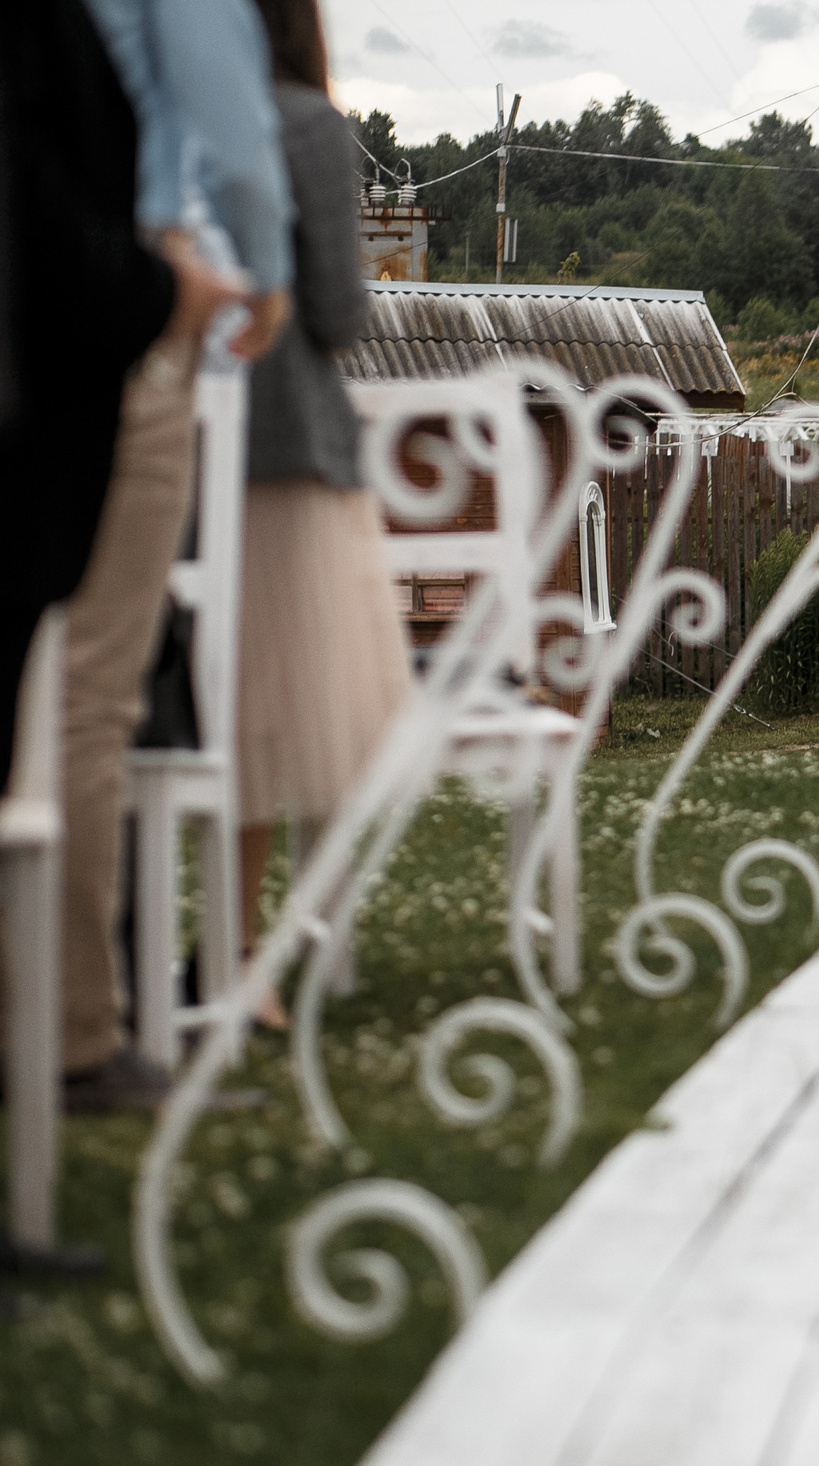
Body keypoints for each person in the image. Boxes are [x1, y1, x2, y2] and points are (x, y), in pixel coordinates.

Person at [36, 0, 291, 1115]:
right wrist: (266, 268)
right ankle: (75, 1034)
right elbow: (232, 134)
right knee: (89, 694)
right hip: (124, 295)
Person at [231, 0, 411, 1028]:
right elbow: (342, 312)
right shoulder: (305, 123)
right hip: (288, 444)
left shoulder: (173, 114)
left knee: (214, 703)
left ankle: (213, 947)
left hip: (174, 434)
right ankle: (250, 947)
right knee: (290, 706)